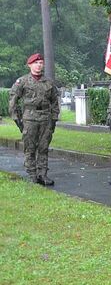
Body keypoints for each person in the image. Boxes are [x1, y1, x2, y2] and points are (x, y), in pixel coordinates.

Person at [9, 53, 59, 186]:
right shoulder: (23, 81)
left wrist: (54, 119)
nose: (39, 65)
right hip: (29, 119)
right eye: (36, 63)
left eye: (41, 63)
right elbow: (13, 101)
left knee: (43, 148)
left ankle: (43, 174)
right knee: (30, 148)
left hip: (45, 119)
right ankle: (32, 174)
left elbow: (54, 102)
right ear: (30, 65)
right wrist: (17, 119)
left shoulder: (48, 82)